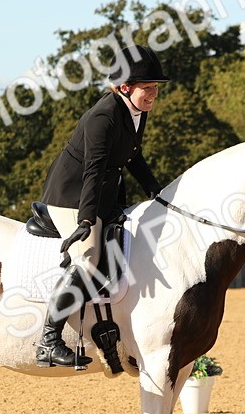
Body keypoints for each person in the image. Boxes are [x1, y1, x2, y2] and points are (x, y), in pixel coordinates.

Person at [34, 44, 169, 368]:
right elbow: (92, 171)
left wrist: (157, 190)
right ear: (125, 87)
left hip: (102, 194)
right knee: (90, 258)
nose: (153, 94)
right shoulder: (103, 116)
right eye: (147, 88)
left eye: (155, 88)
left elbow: (133, 155)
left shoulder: (137, 111)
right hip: (71, 196)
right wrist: (85, 220)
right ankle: (48, 341)